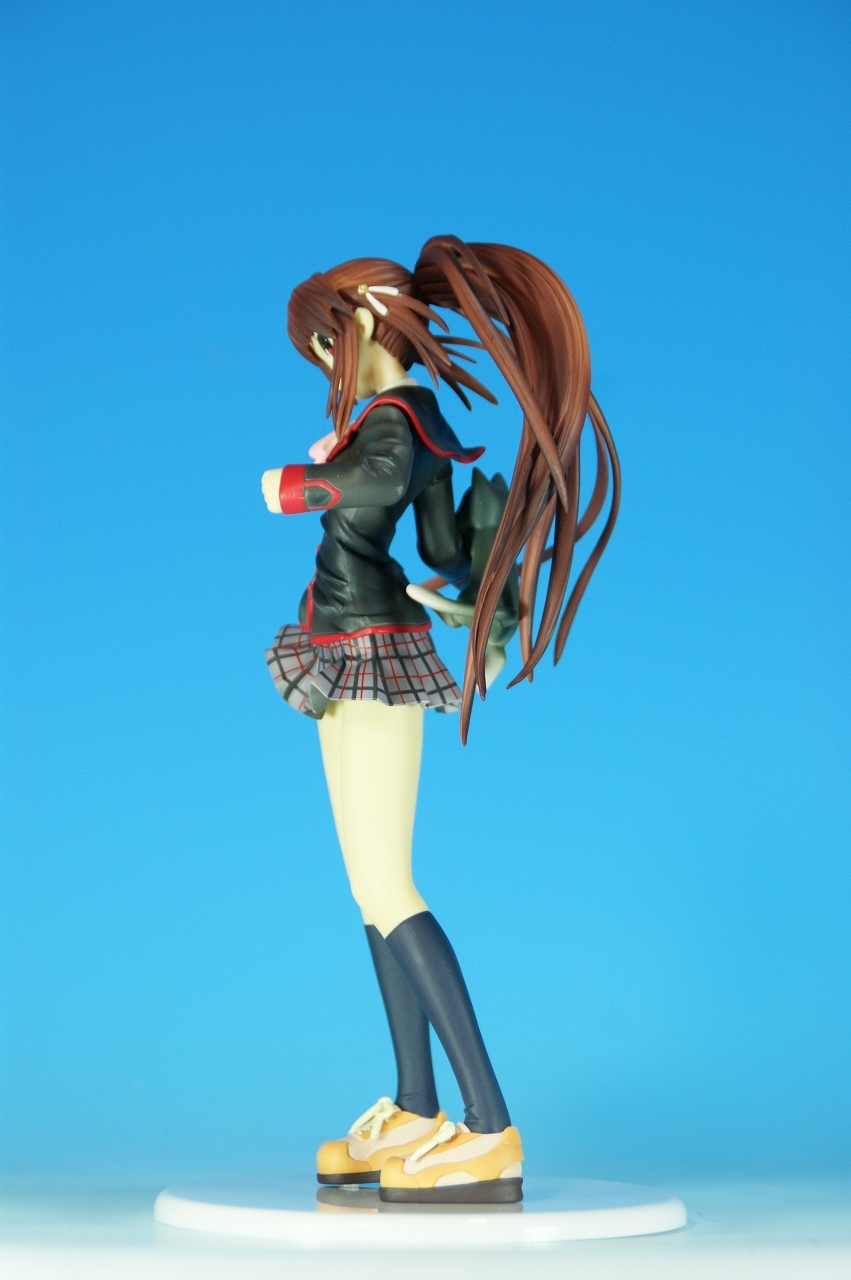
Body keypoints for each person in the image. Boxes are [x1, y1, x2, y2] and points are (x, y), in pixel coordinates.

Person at [260, 237, 620, 1203]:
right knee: (367, 891)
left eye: (324, 345)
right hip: (341, 642)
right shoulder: (391, 420)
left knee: (390, 882)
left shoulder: (400, 419)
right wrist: (460, 581)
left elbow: (378, 484)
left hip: (373, 652)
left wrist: (294, 487)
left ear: (364, 325)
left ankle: (489, 1127)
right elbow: (430, 534)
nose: (324, 366)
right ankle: (417, 1106)